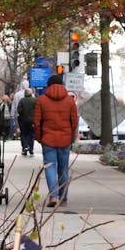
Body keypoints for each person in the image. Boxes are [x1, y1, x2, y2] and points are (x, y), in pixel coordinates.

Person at [33, 75, 77, 206]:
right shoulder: (70, 101)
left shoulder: (42, 100)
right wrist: (70, 137)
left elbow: (37, 122)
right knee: (63, 169)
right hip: (65, 139)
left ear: (48, 85)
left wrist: (40, 137)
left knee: (50, 168)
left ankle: (53, 197)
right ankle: (63, 198)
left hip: (48, 139)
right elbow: (74, 122)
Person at [17, 89, 36, 156]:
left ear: (25, 94)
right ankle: (31, 150)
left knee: (24, 134)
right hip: (32, 121)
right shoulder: (34, 100)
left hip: (23, 121)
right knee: (31, 135)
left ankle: (25, 147)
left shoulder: (22, 100)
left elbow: (19, 110)